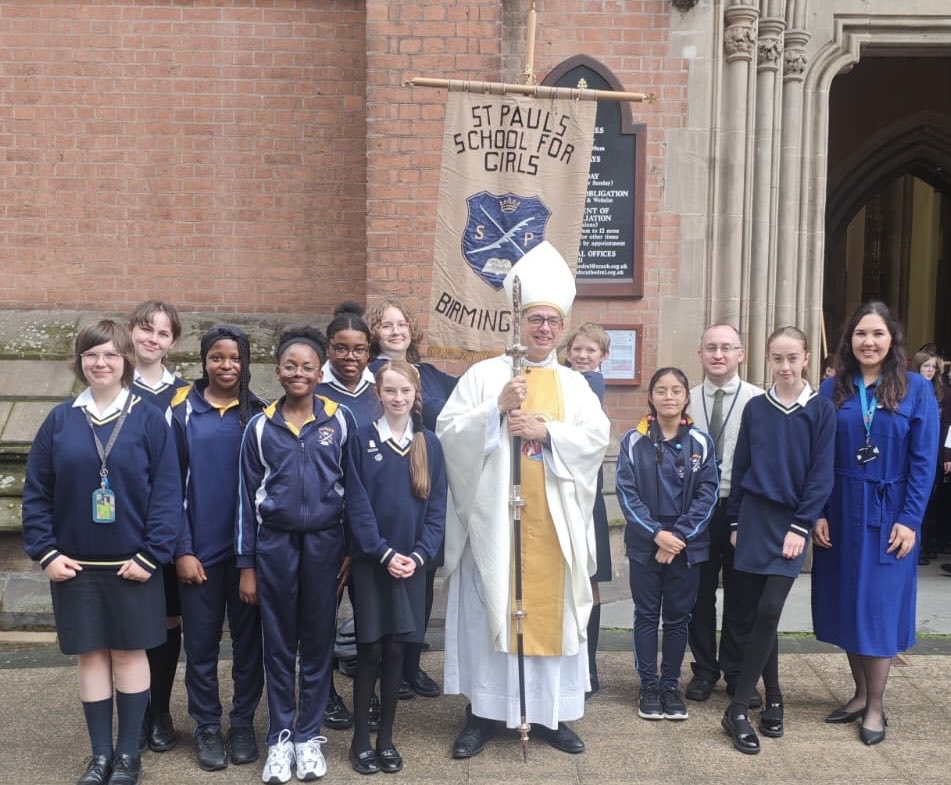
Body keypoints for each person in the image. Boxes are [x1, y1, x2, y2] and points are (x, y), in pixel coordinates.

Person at [437, 241, 611, 757]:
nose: (543, 330)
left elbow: (596, 441)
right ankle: (483, 715)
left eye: (551, 322)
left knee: (548, 617)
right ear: (519, 322)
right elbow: (449, 432)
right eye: (534, 319)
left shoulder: (575, 386)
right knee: (490, 608)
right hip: (495, 526)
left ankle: (551, 715)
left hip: (551, 529)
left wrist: (548, 430)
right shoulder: (486, 375)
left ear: (562, 327)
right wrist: (495, 412)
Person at [22, 319, 182, 785]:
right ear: (80, 362)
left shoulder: (149, 419)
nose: (101, 363)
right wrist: (46, 552)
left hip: (134, 565)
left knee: (131, 656)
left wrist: (153, 554)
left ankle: (129, 756)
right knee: (91, 657)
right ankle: (100, 756)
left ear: (125, 360)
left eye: (111, 354)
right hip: (75, 567)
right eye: (92, 355)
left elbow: (168, 494)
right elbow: (37, 494)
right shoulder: (60, 420)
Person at [813, 301, 938, 746]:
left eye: (877, 334)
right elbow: (819, 456)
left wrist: (910, 519)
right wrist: (819, 514)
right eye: (861, 334)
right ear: (849, 340)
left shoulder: (915, 390)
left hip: (890, 511)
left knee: (878, 607)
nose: (868, 342)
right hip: (842, 507)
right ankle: (859, 693)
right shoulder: (834, 389)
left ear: (891, 341)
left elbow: (924, 463)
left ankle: (876, 706)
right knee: (848, 600)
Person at [236, 327, 353, 784]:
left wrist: (350, 548)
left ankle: (309, 737)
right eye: (291, 365)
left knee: (318, 643)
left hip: (325, 545)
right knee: (279, 644)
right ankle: (280, 739)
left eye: (308, 366)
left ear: (319, 372)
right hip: (275, 546)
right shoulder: (260, 427)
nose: (299, 373)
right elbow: (245, 501)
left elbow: (353, 491)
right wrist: (247, 565)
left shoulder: (339, 420)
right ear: (278, 371)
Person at [721, 327, 835, 754]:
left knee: (770, 610)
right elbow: (741, 465)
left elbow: (821, 475)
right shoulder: (756, 407)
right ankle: (775, 697)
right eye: (777, 358)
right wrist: (733, 522)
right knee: (755, 617)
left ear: (806, 357)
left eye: (792, 358)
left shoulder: (820, 410)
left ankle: (735, 710)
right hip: (753, 520)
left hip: (792, 524)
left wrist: (801, 527)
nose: (785, 367)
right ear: (767, 359)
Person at [170, 326, 267, 771]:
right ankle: (207, 725)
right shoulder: (181, 412)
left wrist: (255, 558)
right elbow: (168, 488)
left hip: (248, 556)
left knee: (250, 646)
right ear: (204, 360)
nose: (226, 366)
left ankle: (242, 722)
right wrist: (182, 550)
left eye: (234, 358)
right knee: (202, 646)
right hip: (199, 556)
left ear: (245, 362)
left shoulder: (261, 413)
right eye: (217, 357)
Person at [344, 360, 447, 774]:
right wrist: (383, 553)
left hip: (412, 566)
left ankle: (386, 738)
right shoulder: (361, 439)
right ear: (378, 394)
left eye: (405, 391)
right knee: (368, 649)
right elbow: (357, 504)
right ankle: (360, 741)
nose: (398, 398)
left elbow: (437, 510)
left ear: (415, 394)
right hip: (374, 564)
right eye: (390, 391)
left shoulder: (430, 444)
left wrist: (419, 556)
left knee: (396, 651)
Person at [366, 299, 457, 700]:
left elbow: (463, 409)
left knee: (421, 579)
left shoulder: (433, 376)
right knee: (381, 583)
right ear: (375, 332)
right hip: (384, 486)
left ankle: (411, 663)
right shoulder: (368, 374)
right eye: (387, 325)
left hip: (425, 482)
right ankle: (386, 667)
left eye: (402, 323)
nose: (396, 330)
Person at [616, 367, 718, 722]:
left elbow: (708, 494)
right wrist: (656, 534)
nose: (669, 396)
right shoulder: (633, 440)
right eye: (662, 390)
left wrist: (677, 539)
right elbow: (626, 494)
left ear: (687, 396)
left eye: (676, 390)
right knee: (646, 615)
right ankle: (648, 685)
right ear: (651, 397)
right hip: (647, 542)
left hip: (687, 545)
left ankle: (671, 685)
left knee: (678, 618)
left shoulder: (701, 441)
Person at [684, 324, 764, 705]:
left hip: (741, 508)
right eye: (711, 347)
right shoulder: (684, 398)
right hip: (696, 511)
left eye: (727, 348)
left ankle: (736, 672)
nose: (718, 355)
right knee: (698, 594)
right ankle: (704, 670)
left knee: (741, 594)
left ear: (741, 354)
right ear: (700, 353)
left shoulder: (758, 400)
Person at [127, 300, 189, 753]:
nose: (152, 338)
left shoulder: (184, 395)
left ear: (173, 342)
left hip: (169, 523)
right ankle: (134, 711)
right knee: (129, 620)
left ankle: (161, 710)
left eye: (163, 333)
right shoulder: (111, 386)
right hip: (122, 524)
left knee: (168, 618)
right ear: (131, 332)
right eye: (146, 329)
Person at [316, 302, 379, 731]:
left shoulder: (380, 392)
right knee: (324, 613)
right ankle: (325, 694)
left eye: (359, 350)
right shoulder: (315, 392)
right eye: (341, 349)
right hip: (330, 525)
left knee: (370, 617)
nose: (350, 357)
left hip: (373, 525)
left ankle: (366, 692)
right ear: (328, 349)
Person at [562, 322, 613, 697]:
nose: (582, 356)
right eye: (577, 349)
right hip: (567, 490)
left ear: (603, 358)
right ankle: (579, 666)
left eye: (590, 351)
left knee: (589, 580)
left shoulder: (590, 385)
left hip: (586, 495)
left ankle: (588, 666)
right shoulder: (564, 380)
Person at [910, 349, 945, 564]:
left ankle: (927, 544)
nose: (931, 370)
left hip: (936, 448)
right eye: (927, 366)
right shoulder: (910, 388)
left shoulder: (938, 391)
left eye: (934, 367)